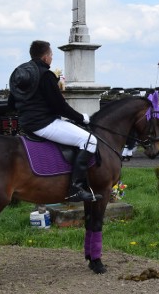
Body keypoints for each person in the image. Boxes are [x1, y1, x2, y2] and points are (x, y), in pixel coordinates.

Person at [8, 40, 98, 202]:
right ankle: (76, 188)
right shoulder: (46, 75)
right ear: (45, 57)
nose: (51, 59)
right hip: (44, 124)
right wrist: (82, 118)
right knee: (89, 140)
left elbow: (11, 103)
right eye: (51, 55)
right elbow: (60, 107)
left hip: (26, 123)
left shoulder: (20, 72)